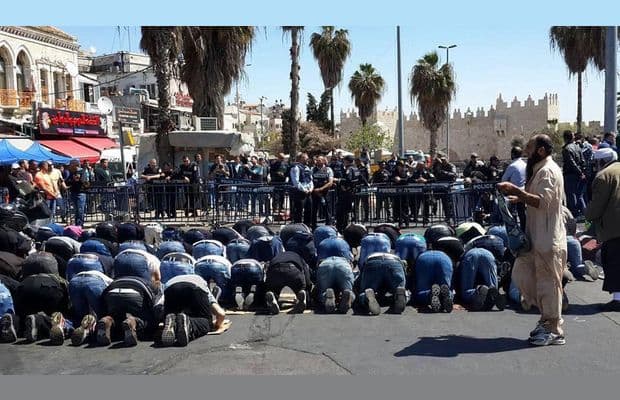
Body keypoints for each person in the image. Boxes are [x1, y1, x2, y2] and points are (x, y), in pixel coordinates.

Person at [498, 134, 567, 346]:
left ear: (541, 150)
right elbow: (537, 198)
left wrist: (516, 191)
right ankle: (546, 319)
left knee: (548, 284)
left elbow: (543, 202)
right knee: (524, 271)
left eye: (530, 147)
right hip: (536, 238)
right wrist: (519, 198)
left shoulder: (548, 171)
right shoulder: (540, 170)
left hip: (548, 239)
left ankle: (553, 328)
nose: (526, 151)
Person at [585, 148, 620, 311]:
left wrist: (588, 215)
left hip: (614, 227)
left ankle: (618, 300)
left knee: (614, 263)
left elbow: (597, 206)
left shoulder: (603, 176)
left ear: (601, 162)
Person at [160, 274, 226, 347]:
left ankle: (174, 324)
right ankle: (190, 324)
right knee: (206, 322)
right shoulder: (202, 282)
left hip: (170, 289)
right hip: (195, 287)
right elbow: (221, 314)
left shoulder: (171, 280)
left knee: (171, 316)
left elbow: (159, 305)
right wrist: (217, 325)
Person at [562, 130, 587, 219]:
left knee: (571, 195)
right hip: (579, 174)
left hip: (570, 174)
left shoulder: (566, 149)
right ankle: (584, 214)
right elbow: (583, 161)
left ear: (565, 138)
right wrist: (582, 172)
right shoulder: (577, 147)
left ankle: (574, 214)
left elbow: (571, 163)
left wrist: (580, 172)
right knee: (579, 195)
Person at [501, 147, 527, 231]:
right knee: (522, 213)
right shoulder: (525, 164)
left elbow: (503, 179)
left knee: (513, 214)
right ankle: (524, 230)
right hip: (524, 191)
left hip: (514, 192)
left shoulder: (512, 166)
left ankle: (515, 231)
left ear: (512, 154)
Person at [335, 155, 360, 233]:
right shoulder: (356, 168)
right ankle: (345, 227)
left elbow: (348, 180)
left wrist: (338, 180)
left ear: (347, 161)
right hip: (352, 191)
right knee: (346, 212)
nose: (343, 162)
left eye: (344, 161)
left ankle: (341, 228)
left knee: (341, 212)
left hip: (346, 193)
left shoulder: (349, 169)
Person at [289, 153, 314, 225]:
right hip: (300, 193)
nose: (307, 159)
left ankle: (307, 226)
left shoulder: (308, 168)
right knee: (299, 211)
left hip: (308, 192)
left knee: (309, 210)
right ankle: (298, 226)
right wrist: (304, 190)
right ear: (300, 159)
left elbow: (310, 180)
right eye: (305, 158)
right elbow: (296, 181)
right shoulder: (295, 168)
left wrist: (311, 189)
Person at [311, 156, 334, 230]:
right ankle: (313, 226)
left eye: (319, 160)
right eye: (317, 160)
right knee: (314, 209)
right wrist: (314, 190)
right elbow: (310, 181)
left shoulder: (328, 169)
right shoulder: (312, 169)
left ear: (324, 161)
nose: (317, 161)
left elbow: (330, 182)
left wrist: (321, 189)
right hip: (315, 192)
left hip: (325, 192)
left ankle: (329, 226)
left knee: (327, 210)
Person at [65, 159, 90, 227]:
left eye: (71, 165)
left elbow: (83, 181)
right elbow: (68, 181)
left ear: (75, 165)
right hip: (73, 192)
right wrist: (73, 179)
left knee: (80, 209)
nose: (69, 166)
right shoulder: (71, 172)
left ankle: (80, 224)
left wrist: (78, 179)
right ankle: (77, 224)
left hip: (80, 193)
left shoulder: (82, 171)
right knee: (76, 210)